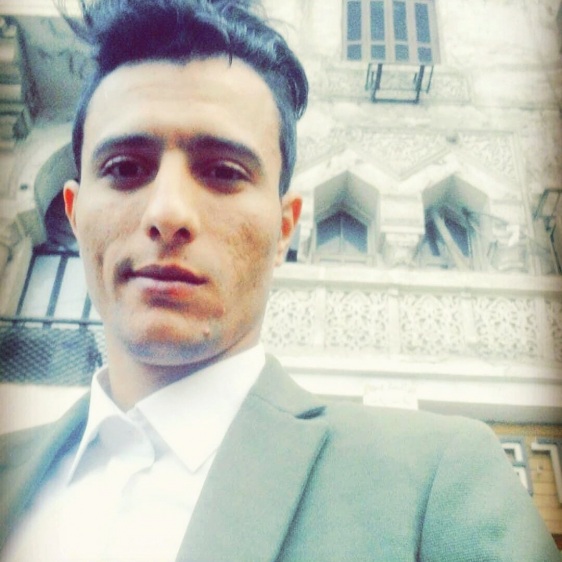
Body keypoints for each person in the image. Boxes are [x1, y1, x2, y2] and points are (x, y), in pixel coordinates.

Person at [0, 0, 559, 560]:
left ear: (286, 227)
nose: (167, 212)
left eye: (223, 172)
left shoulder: (432, 483)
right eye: (125, 169)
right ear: (74, 213)